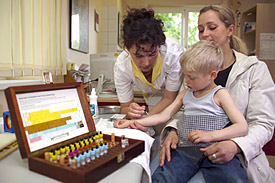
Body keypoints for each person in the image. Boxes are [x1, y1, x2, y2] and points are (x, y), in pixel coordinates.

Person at [158, 5, 275, 183]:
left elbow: (263, 124)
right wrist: (173, 130)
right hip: (190, 150)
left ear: (230, 30)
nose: (205, 34)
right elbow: (183, 110)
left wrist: (235, 145)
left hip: (234, 154)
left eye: (212, 27)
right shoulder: (194, 68)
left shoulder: (254, 70)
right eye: (200, 29)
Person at [114, 40, 249, 182]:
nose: (186, 81)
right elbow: (163, 116)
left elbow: (242, 127)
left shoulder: (220, 94)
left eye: (191, 77)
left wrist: (210, 136)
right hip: (185, 152)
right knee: (161, 178)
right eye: (185, 75)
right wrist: (133, 121)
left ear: (212, 75)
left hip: (214, 150)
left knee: (235, 179)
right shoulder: (186, 93)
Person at [114, 8, 184, 137]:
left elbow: (169, 98)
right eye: (139, 56)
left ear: (160, 45)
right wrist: (131, 112)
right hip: (153, 100)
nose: (146, 63)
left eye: (152, 54)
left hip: (177, 101)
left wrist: (144, 120)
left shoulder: (173, 55)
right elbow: (125, 106)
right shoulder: (122, 65)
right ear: (127, 49)